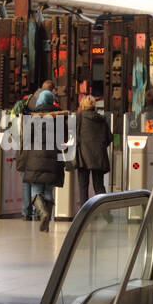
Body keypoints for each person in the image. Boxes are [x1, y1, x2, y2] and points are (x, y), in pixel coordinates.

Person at [17, 93, 64, 232]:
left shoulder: (33, 117)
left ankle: (42, 212)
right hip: (53, 159)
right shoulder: (59, 117)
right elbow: (64, 139)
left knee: (36, 189)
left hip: (35, 159)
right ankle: (47, 220)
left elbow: (26, 138)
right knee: (49, 190)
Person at [73, 95, 111, 205]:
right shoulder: (101, 119)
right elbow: (109, 138)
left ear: (82, 105)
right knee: (99, 186)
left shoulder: (79, 117)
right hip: (99, 156)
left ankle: (84, 213)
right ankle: (105, 213)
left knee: (83, 186)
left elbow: (74, 135)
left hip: (83, 157)